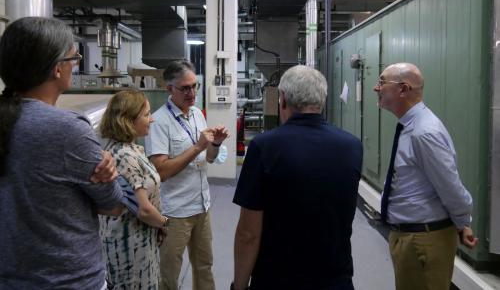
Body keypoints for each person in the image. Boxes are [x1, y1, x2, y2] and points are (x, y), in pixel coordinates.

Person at [0, 17, 123, 290]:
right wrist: (107, 179)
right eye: (74, 57)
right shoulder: (67, 129)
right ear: (57, 68)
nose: (76, 64)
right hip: (69, 280)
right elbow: (114, 205)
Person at [232, 65, 363, 290]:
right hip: (335, 279)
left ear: (282, 100)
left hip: (276, 279)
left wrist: (239, 287)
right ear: (323, 100)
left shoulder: (264, 147)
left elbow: (248, 234)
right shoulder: (352, 146)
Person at [374, 62, 478, 290]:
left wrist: (463, 221)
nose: (376, 88)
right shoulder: (410, 126)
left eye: (382, 82)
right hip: (410, 238)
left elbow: (449, 185)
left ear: (403, 89)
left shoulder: (423, 132)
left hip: (423, 242)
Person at [145, 60, 229, 290]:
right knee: (169, 274)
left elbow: (209, 159)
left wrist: (216, 145)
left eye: (195, 86)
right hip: (175, 212)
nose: (191, 93)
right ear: (169, 88)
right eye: (185, 88)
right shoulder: (159, 122)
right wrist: (198, 147)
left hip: (202, 206)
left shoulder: (196, 115)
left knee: (204, 266)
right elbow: (161, 171)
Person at [99, 89, 167, 289]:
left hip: (141, 241)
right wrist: (164, 223)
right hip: (130, 247)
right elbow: (143, 209)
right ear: (128, 120)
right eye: (146, 115)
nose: (151, 120)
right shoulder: (125, 157)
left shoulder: (129, 150)